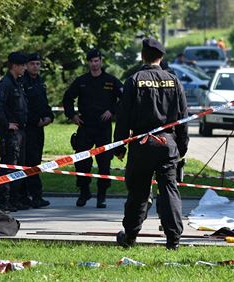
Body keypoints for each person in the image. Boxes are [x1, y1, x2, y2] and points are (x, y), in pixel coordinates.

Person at [113, 38, 189, 250]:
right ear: (161, 57)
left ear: (142, 56)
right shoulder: (174, 80)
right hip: (168, 144)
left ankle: (130, 236)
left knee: (138, 192)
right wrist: (181, 147)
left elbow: (123, 118)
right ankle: (173, 240)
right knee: (169, 191)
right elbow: (183, 118)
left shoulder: (135, 80)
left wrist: (119, 147)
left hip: (142, 144)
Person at [62, 48, 123, 208]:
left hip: (103, 128)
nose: (94, 64)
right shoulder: (82, 81)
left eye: (97, 61)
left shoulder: (111, 81)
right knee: (81, 160)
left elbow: (125, 98)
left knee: (104, 163)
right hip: (85, 125)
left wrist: (112, 110)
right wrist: (72, 115)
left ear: (101, 61)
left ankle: (101, 195)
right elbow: (68, 98)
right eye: (91, 61)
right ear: (88, 63)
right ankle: (84, 191)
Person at [0, 52, 29, 212]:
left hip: (20, 133)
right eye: (23, 65)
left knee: (18, 168)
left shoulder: (17, 83)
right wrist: (6, 125)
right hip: (11, 135)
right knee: (7, 168)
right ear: (15, 66)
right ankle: (4, 201)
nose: (25, 68)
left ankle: (15, 199)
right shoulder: (5, 84)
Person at [20, 53, 53, 208]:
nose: (35, 66)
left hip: (39, 129)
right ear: (26, 65)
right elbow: (23, 107)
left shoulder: (39, 81)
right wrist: (36, 120)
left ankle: (35, 196)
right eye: (32, 63)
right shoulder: (22, 82)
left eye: (38, 64)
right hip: (28, 129)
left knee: (36, 162)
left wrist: (49, 116)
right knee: (28, 162)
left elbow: (43, 103)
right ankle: (28, 196)